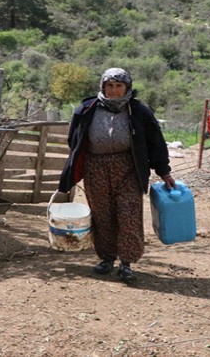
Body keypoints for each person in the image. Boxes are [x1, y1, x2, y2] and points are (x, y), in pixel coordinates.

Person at [58, 67, 176, 283]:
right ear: (102, 86)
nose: (113, 90)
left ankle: (127, 263)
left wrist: (164, 171)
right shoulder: (86, 109)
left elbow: (155, 143)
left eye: (118, 86)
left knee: (129, 213)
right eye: (109, 86)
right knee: (102, 214)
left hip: (128, 167)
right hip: (96, 168)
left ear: (127, 88)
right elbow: (74, 141)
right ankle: (107, 259)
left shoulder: (140, 111)